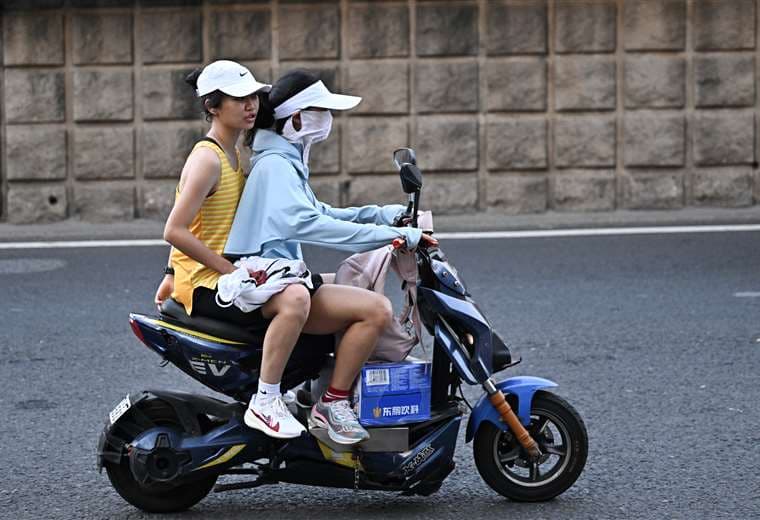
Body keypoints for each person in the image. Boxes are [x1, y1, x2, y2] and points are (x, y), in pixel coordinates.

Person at [225, 70, 438, 445]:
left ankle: (312, 388)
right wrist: (395, 236)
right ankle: (332, 404)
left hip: (280, 277)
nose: (327, 119)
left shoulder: (282, 159)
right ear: (295, 119)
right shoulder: (276, 166)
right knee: (375, 309)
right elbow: (310, 224)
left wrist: (381, 214)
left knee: (347, 285)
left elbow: (320, 212)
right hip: (270, 286)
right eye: (320, 110)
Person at [153, 60, 313, 440]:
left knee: (328, 287)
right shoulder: (208, 159)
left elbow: (202, 224)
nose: (251, 105)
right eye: (239, 98)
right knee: (295, 301)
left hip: (222, 274)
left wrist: (169, 275)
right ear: (212, 106)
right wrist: (228, 271)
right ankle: (267, 400)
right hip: (210, 282)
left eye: (253, 96)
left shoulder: (238, 153)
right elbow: (174, 229)